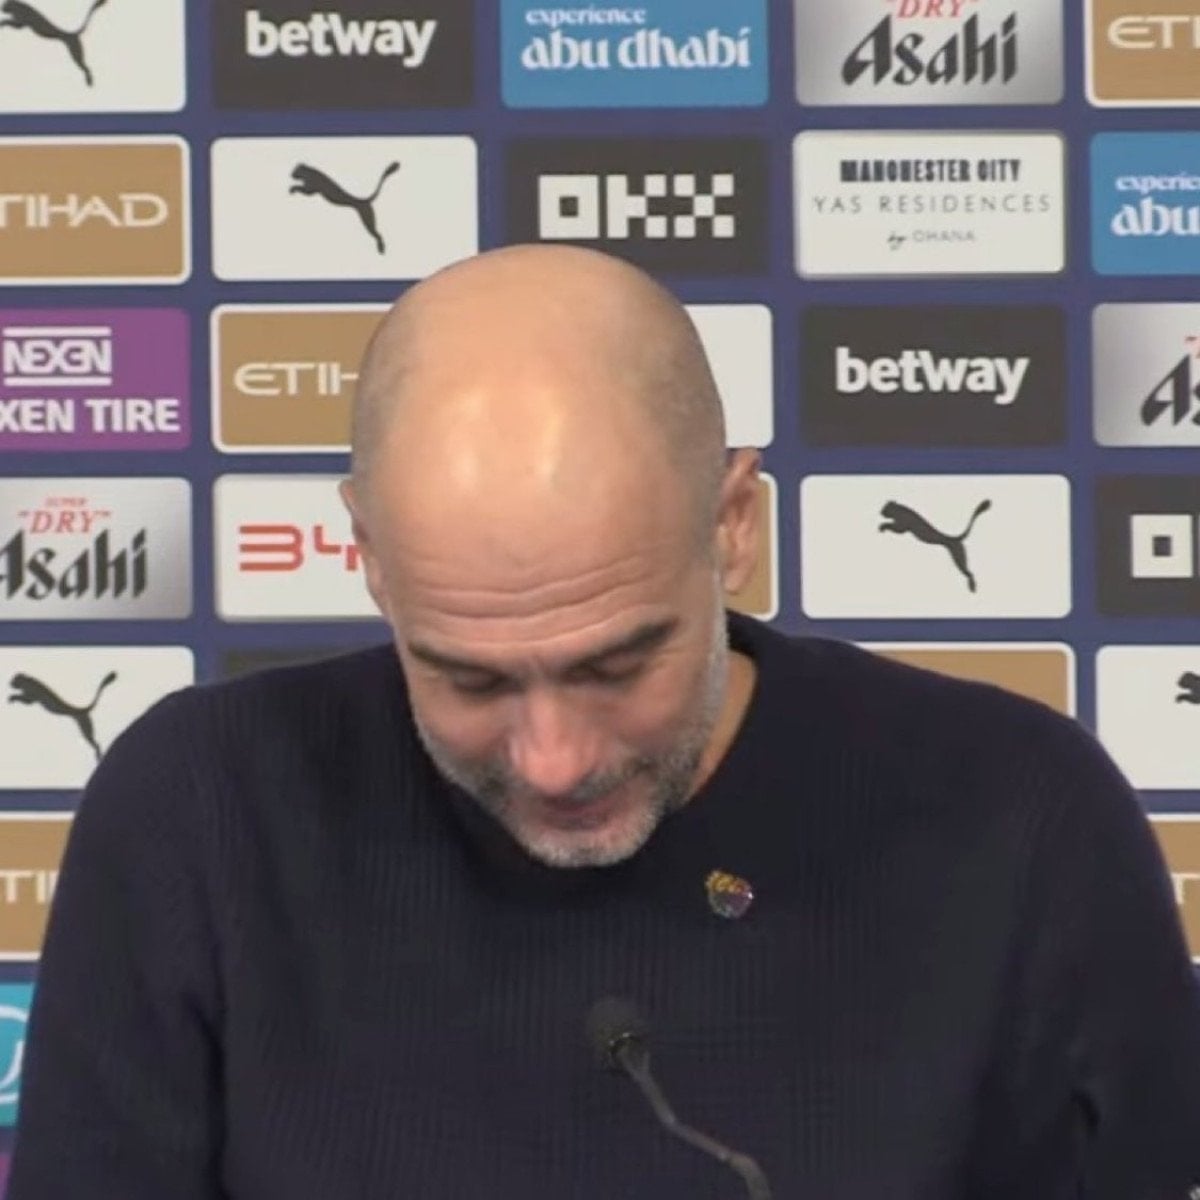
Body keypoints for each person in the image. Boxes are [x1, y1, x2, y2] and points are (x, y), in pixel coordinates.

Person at [7, 244, 1200, 1199]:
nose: (554, 759)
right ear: (365, 555)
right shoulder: (203, 812)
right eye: (471, 681)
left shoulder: (1018, 816)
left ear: (733, 524)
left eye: (617, 666)